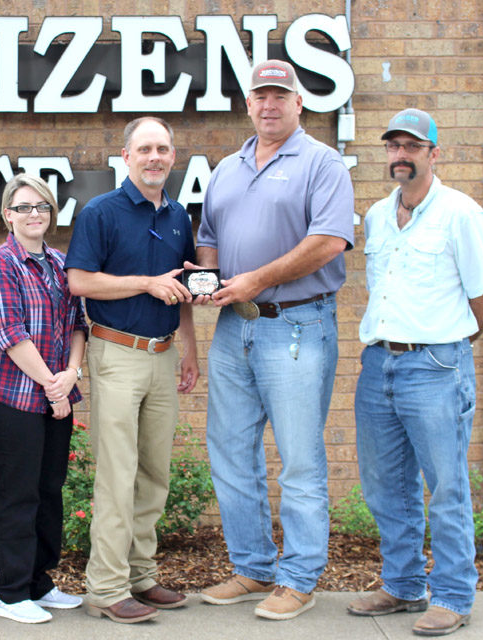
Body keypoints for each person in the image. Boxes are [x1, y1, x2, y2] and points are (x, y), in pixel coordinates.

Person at [194, 60, 354, 620]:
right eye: (260, 96)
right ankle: (254, 566)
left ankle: (300, 577)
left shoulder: (321, 163)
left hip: (297, 325)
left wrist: (257, 278)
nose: (269, 105)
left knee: (300, 459)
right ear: (249, 104)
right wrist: (212, 280)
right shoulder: (228, 167)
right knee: (231, 452)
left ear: (298, 105)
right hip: (234, 325)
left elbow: (330, 241)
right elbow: (208, 234)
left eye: (279, 97)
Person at [347, 109, 483, 637]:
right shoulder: (376, 214)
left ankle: (454, 595)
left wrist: (452, 345)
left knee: (447, 486)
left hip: (436, 364)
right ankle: (403, 584)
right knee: (386, 486)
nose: (400, 156)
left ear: (434, 153)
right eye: (393, 146)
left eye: (412, 147)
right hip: (379, 363)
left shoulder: (461, 214)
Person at [65, 117, 200, 624]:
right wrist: (145, 283)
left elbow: (181, 287)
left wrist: (189, 348)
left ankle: (140, 575)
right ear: (126, 156)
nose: (155, 157)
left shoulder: (178, 217)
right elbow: (79, 281)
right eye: (145, 149)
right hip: (116, 354)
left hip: (163, 355)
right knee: (118, 476)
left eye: (163, 149)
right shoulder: (101, 212)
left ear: (171, 157)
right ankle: (105, 588)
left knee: (153, 473)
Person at [0, 174, 88, 624]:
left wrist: (69, 376)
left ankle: (39, 583)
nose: (34, 214)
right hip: (14, 398)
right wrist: (51, 384)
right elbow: (10, 334)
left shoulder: (62, 263)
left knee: (49, 491)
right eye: (23, 207)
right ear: (8, 215)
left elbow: (79, 324)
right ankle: (10, 592)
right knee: (17, 493)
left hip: (57, 393)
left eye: (41, 206)